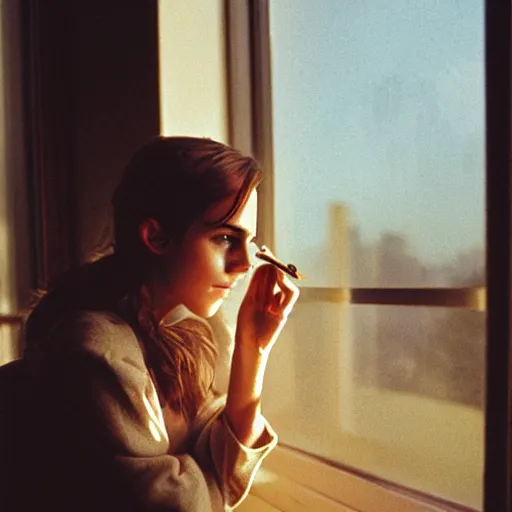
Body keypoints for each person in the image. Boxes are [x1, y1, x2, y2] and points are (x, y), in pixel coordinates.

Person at [11, 137, 299, 511]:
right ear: (156, 236)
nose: (245, 263)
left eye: (250, 242)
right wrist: (207, 468)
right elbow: (187, 503)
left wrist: (253, 348)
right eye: (226, 238)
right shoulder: (96, 354)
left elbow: (216, 468)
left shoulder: (188, 334)